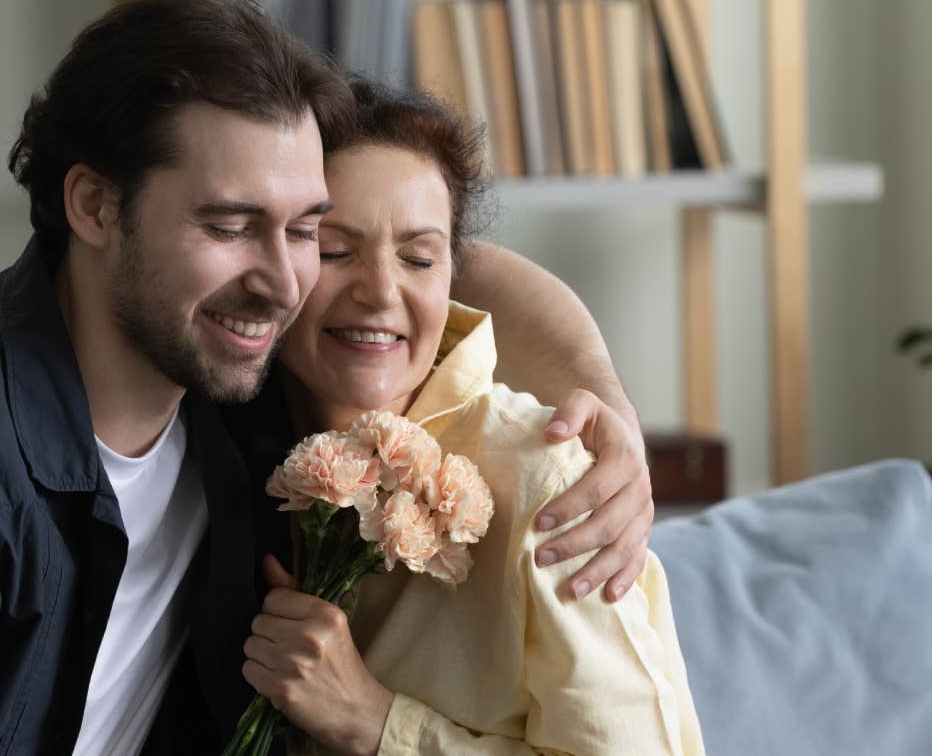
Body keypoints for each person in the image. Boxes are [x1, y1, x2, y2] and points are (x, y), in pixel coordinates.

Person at [0, 0, 656, 754]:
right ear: (92, 204)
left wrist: (607, 403)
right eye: (228, 224)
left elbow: (425, 254)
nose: (288, 280)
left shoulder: (238, 393)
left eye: (302, 231)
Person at [223, 79, 703, 755]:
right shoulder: (223, 443)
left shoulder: (549, 477)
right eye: (335, 250)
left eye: (418, 257)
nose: (381, 290)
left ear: (452, 274)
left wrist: (373, 722)